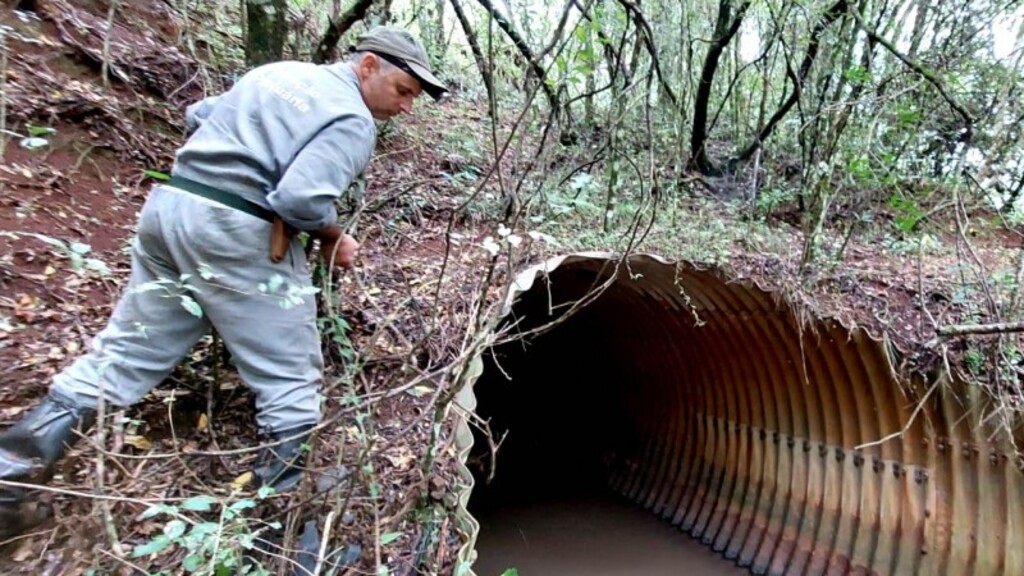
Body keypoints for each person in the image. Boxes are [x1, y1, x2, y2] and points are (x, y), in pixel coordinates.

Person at [0, 26, 447, 540]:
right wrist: (334, 235)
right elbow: (299, 201)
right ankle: (276, 542)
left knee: (123, 355)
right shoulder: (351, 117)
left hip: (170, 214)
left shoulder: (276, 73)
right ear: (368, 65)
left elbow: (197, 116)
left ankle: (8, 484)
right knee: (290, 387)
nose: (406, 107)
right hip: (237, 234)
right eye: (403, 91)